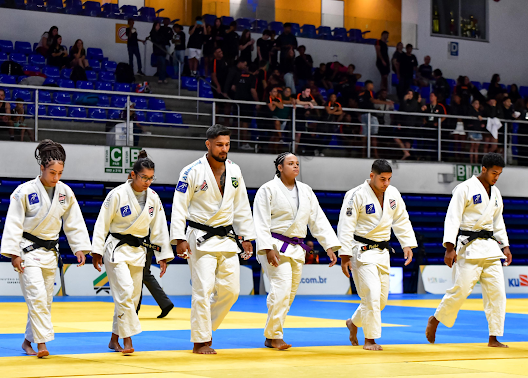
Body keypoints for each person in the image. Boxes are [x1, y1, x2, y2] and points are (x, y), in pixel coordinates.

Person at [0, 140, 91, 357]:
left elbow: (74, 222)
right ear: (41, 168)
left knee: (44, 302)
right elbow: (13, 223)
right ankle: (42, 345)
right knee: (37, 297)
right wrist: (14, 254)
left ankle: (27, 342)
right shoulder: (23, 191)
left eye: (60, 172)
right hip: (27, 251)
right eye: (52, 172)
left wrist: (79, 248)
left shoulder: (65, 192)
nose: (56, 177)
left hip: (51, 253)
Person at [170, 124, 255, 354]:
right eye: (219, 145)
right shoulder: (191, 171)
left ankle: (206, 326)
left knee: (232, 291)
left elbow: (242, 206)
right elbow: (179, 206)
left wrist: (246, 235)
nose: (224, 149)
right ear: (208, 144)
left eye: (227, 144)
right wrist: (179, 238)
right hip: (200, 237)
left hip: (227, 237)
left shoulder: (235, 170)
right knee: (203, 290)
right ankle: (201, 340)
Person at [253, 152, 341, 350]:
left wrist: (329, 246)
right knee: (281, 289)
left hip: (297, 249)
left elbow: (317, 219)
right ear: (279, 167)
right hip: (275, 246)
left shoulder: (306, 190)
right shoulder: (267, 190)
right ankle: (275, 336)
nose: (295, 167)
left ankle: (271, 334)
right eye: (290, 163)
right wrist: (267, 248)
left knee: (289, 294)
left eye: (297, 164)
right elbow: (260, 221)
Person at [426, 153, 512, 348]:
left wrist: (505, 246)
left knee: (498, 294)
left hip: (490, 248)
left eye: (499, 174)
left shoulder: (496, 193)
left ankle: (494, 337)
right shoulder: (464, 188)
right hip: (469, 247)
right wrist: (450, 247)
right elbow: (452, 217)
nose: (496, 177)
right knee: (461, 291)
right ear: (483, 169)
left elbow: (498, 223)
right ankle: (436, 319)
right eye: (494, 173)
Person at [91, 150, 174, 354]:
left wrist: (162, 256)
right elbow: (102, 222)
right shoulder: (117, 194)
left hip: (138, 251)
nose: (147, 182)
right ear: (133, 174)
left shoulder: (153, 198)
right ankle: (128, 340)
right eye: (144, 177)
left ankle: (113, 339)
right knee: (126, 292)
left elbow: (160, 227)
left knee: (132, 298)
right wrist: (96, 250)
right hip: (116, 249)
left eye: (151, 178)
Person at [338, 159, 417, 350]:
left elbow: (401, 219)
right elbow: (346, 226)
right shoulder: (355, 195)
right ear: (372, 175)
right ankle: (370, 339)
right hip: (361, 252)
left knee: (380, 301)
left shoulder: (393, 193)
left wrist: (407, 244)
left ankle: (353, 323)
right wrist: (344, 255)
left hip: (382, 253)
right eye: (382, 179)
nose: (386, 183)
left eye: (389, 179)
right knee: (371, 295)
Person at [135, 247, 174, 318]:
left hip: (140, 245)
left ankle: (134, 309)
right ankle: (165, 303)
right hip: (145, 245)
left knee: (139, 274)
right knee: (144, 274)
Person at [231, 59, 258, 149]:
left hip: (238, 101)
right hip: (247, 102)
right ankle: (244, 143)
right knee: (245, 123)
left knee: (239, 122)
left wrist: (239, 94)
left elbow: (233, 87)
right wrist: (257, 101)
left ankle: (237, 142)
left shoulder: (239, 75)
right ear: (256, 71)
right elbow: (252, 90)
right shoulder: (252, 78)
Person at [466, 98, 485, 164]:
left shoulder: (480, 112)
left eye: (478, 103)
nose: (477, 104)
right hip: (472, 130)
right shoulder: (470, 110)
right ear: (472, 104)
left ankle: (476, 161)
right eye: (476, 103)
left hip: (478, 130)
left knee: (476, 147)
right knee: (472, 146)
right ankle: (471, 161)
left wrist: (482, 124)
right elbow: (469, 117)